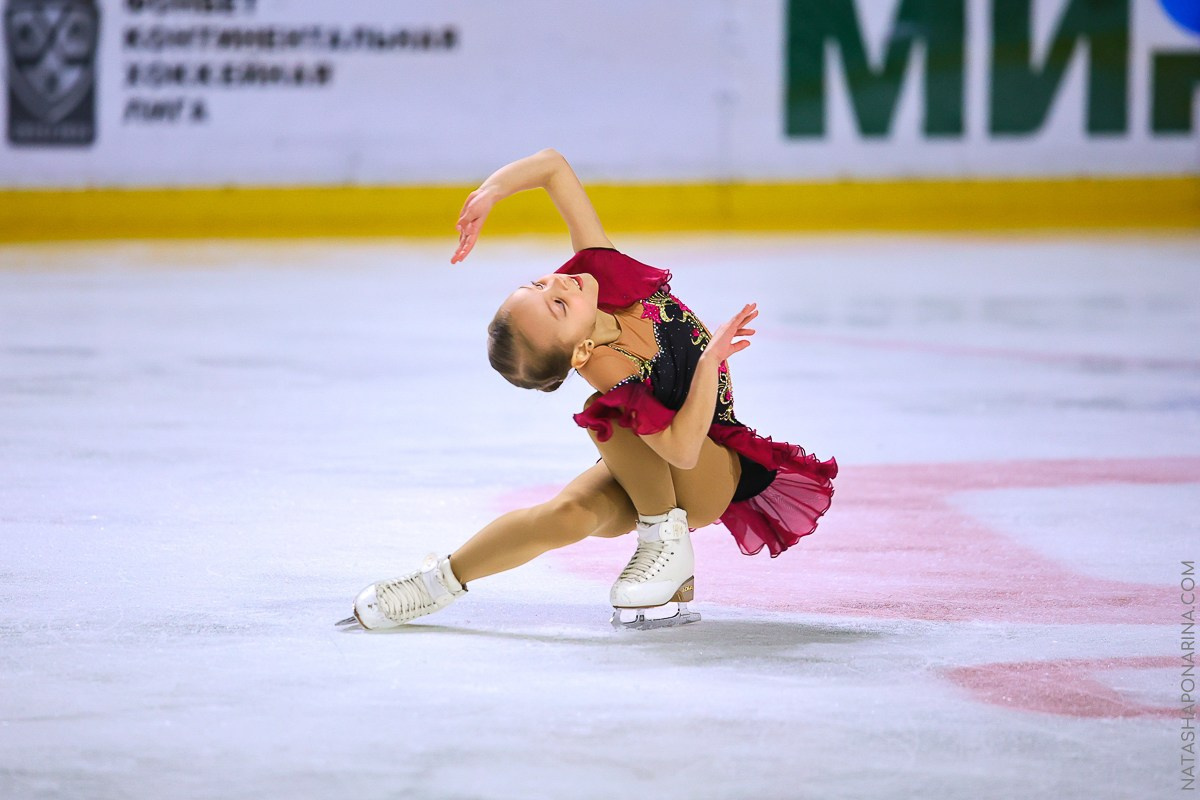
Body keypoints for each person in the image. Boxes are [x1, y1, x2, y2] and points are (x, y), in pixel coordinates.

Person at [339, 148, 837, 632]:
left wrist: (492, 190)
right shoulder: (608, 372)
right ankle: (436, 584)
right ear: (579, 353)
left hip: (714, 474)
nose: (560, 284)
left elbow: (554, 167)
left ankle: (664, 541)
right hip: (681, 465)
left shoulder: (602, 277)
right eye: (556, 307)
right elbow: (680, 449)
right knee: (567, 512)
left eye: (538, 285)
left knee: (611, 424)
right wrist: (710, 363)